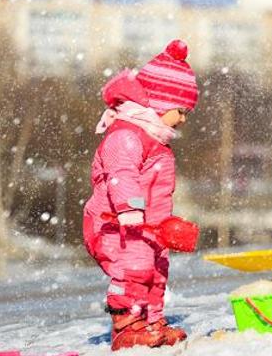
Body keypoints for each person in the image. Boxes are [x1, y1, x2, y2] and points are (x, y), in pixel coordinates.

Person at [82, 39, 198, 350]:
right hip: (115, 223)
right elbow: (122, 177)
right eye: (181, 111)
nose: (184, 119)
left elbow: (157, 191)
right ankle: (127, 325)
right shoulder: (126, 135)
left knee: (157, 271)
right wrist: (131, 213)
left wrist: (165, 224)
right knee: (135, 269)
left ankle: (152, 323)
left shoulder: (154, 141)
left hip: (148, 226)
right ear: (160, 104)